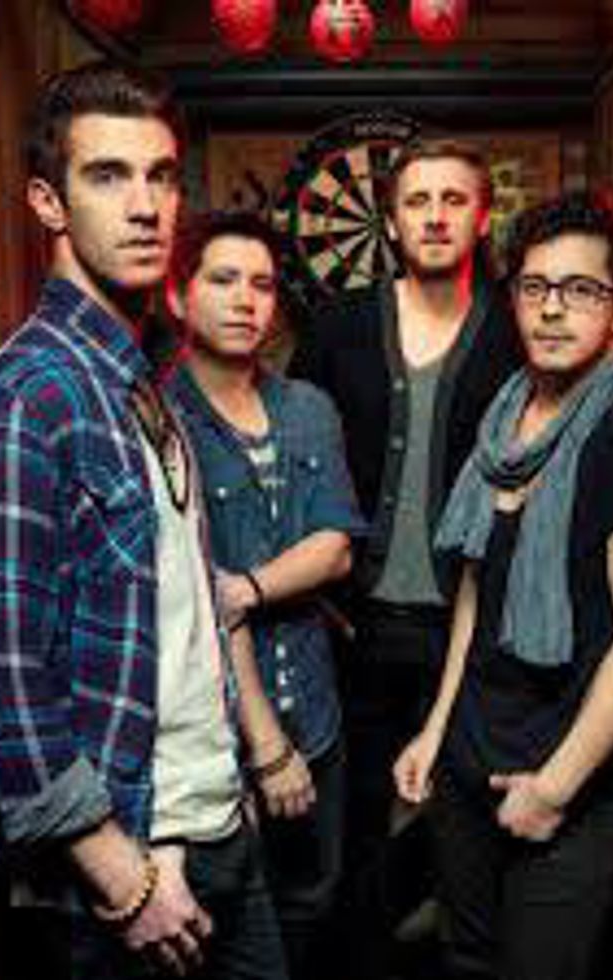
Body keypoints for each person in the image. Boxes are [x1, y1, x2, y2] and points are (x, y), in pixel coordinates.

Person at [0, 63, 287, 980]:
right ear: (47, 202)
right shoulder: (27, 396)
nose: (145, 206)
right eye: (108, 176)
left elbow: (181, 615)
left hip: (218, 827)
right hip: (133, 863)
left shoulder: (140, 379)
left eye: (161, 176)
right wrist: (122, 878)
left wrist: (238, 777)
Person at [393, 191, 613, 980]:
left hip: (568, 777)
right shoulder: (505, 416)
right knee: (465, 956)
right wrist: (437, 728)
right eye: (535, 287)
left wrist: (554, 790)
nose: (554, 309)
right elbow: (477, 587)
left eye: (582, 290)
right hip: (471, 754)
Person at [289, 138, 522, 978]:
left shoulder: (516, 331)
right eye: (417, 201)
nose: (434, 217)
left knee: (467, 824)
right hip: (352, 627)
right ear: (390, 220)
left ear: (482, 217)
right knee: (350, 827)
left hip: (474, 632)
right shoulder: (340, 326)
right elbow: (294, 452)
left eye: (454, 200)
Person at [162, 211, 363, 980]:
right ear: (178, 296)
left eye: (262, 284)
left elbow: (336, 547)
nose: (246, 300)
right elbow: (198, 598)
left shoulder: (308, 408)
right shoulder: (160, 417)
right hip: (215, 733)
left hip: (315, 707)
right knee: (225, 920)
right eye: (223, 280)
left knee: (315, 898)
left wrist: (247, 587)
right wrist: (267, 746)